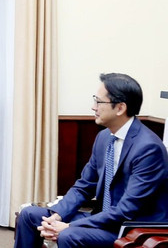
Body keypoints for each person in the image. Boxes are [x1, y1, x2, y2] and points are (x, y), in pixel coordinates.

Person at [15, 73, 168, 248]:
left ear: (120, 108)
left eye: (99, 102)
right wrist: (57, 216)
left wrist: (68, 226)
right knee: (29, 215)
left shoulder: (148, 148)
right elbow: (84, 186)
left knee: (69, 235)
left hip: (130, 228)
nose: (93, 107)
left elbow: (127, 209)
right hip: (103, 218)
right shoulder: (104, 138)